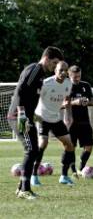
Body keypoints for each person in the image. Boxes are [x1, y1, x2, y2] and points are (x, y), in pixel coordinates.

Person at [7, 46, 64, 200]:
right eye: (55, 62)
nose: (55, 67)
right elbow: (21, 91)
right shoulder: (35, 69)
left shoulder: (40, 76)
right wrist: (23, 116)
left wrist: (37, 117)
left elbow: (31, 98)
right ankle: (24, 190)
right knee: (31, 149)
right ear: (46, 58)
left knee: (34, 150)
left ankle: (22, 188)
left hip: (26, 116)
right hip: (18, 116)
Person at [30, 61, 76, 187]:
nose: (63, 72)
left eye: (65, 70)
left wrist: (68, 115)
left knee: (69, 145)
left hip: (55, 118)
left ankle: (64, 176)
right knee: (43, 143)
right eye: (60, 70)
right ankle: (33, 176)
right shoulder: (46, 83)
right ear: (55, 70)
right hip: (42, 117)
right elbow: (35, 99)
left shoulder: (68, 83)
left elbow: (67, 100)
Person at [67, 65, 93, 177]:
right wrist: (75, 102)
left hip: (85, 121)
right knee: (71, 147)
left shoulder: (86, 85)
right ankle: (73, 171)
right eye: (75, 77)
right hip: (71, 122)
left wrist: (86, 102)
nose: (77, 78)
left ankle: (82, 167)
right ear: (69, 75)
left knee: (89, 145)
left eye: (79, 76)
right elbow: (60, 105)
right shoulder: (65, 87)